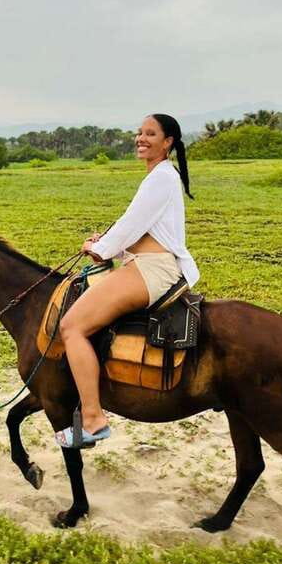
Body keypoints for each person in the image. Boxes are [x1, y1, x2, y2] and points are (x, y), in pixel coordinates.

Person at [55, 113, 200, 448]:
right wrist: (106, 242)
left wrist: (100, 249)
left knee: (71, 327)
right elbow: (135, 226)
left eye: (150, 134)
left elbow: (130, 224)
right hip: (144, 262)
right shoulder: (158, 176)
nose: (141, 139)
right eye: (139, 133)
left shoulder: (161, 178)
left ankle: (92, 420)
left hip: (153, 269)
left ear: (168, 143)